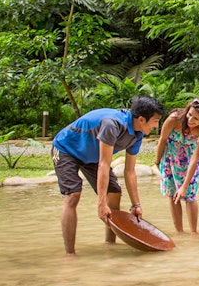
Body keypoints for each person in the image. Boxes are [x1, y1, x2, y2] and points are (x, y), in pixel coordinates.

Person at [52, 95, 165, 257]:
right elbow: (104, 164)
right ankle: (70, 254)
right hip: (66, 149)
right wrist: (101, 203)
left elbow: (129, 171)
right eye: (155, 121)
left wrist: (136, 205)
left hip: (91, 156)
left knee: (114, 192)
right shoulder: (112, 124)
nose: (156, 126)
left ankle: (110, 244)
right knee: (73, 195)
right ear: (141, 119)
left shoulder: (137, 135)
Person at [155, 98, 199, 235]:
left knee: (189, 196)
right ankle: (179, 232)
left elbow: (195, 158)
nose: (190, 120)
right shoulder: (174, 119)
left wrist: (184, 186)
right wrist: (157, 161)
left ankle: (194, 233)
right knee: (173, 195)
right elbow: (162, 139)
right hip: (170, 159)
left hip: (190, 163)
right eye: (189, 115)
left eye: (196, 119)